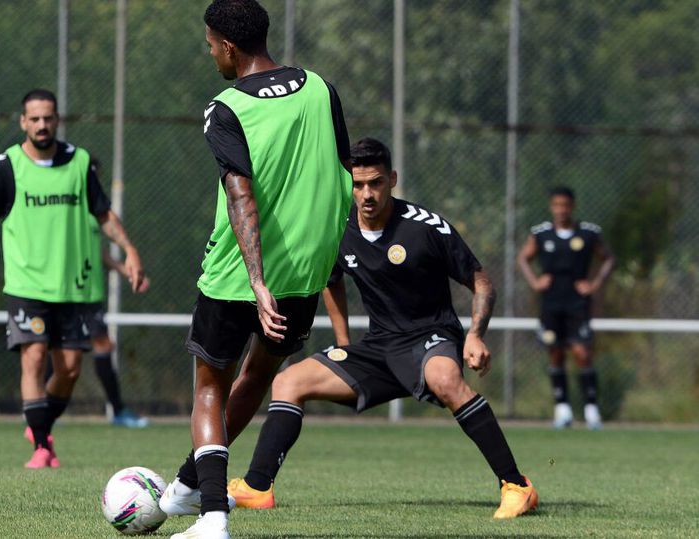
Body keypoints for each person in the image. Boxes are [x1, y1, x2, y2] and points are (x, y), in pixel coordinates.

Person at [227, 138, 539, 520]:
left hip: (431, 337)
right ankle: (258, 487)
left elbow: (481, 282)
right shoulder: (339, 228)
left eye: (375, 183)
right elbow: (332, 280)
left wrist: (475, 334)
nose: (367, 194)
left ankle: (516, 485)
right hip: (379, 348)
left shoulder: (425, 227)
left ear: (392, 179)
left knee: (444, 378)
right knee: (288, 382)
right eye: (358, 185)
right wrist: (343, 343)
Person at [159, 2, 352, 537]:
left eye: (209, 44)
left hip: (240, 273)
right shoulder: (321, 88)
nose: (210, 53)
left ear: (226, 45)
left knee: (209, 386)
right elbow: (342, 172)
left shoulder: (226, 107)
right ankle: (186, 485)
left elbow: (240, 193)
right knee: (258, 376)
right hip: (306, 272)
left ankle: (213, 518)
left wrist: (257, 281)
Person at [0, 89, 145, 469]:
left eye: (48, 118)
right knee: (33, 359)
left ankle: (39, 424)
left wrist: (129, 250)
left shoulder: (79, 163)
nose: (42, 125)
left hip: (72, 289)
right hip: (27, 287)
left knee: (69, 370)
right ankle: (42, 447)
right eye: (34, 119)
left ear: (57, 120)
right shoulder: (6, 167)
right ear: (23, 122)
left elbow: (104, 215)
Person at [517, 186, 614, 430]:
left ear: (572, 206)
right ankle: (562, 409)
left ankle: (591, 409)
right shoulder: (541, 234)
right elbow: (523, 258)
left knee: (582, 352)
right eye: (557, 205)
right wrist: (535, 281)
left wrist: (594, 284)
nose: (561, 210)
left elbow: (609, 258)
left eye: (565, 205)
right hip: (551, 302)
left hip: (577, 303)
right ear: (552, 206)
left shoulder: (588, 234)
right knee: (555, 352)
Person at [81, 158, 151, 428]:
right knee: (61, 353)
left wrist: (126, 270)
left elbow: (98, 254)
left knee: (99, 346)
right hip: (67, 293)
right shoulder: (71, 212)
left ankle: (118, 410)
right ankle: (44, 410)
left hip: (89, 294)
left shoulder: (94, 215)